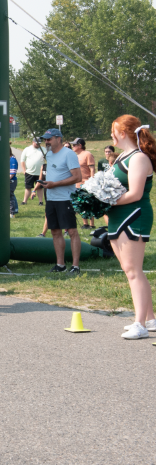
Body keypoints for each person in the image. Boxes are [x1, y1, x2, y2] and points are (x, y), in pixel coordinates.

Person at [106, 116, 156, 339]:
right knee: (131, 271)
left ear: (122, 133)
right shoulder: (122, 157)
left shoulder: (139, 158)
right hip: (119, 216)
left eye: (113, 132)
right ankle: (151, 319)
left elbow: (135, 193)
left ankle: (140, 324)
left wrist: (107, 201)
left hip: (133, 216)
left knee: (134, 271)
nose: (111, 136)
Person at [38, 128, 81, 273]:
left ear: (58, 139)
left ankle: (75, 266)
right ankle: (60, 265)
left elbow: (77, 177)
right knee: (55, 231)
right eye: (45, 139)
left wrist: (55, 184)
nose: (46, 142)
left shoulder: (69, 154)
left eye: (49, 139)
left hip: (65, 198)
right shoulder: (49, 154)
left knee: (72, 231)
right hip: (51, 198)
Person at [72, 138, 96, 229]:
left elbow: (92, 169)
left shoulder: (87, 154)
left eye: (74, 145)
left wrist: (92, 182)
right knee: (80, 204)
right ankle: (85, 224)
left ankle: (92, 224)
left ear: (80, 145)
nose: (73, 147)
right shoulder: (76, 156)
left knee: (88, 204)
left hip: (86, 183)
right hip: (77, 184)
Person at [20, 137, 46, 205]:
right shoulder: (27, 149)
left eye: (39, 143)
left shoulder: (43, 150)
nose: (38, 145)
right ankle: (24, 201)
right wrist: (24, 170)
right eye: (37, 143)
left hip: (40, 173)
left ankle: (40, 202)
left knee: (40, 188)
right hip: (29, 172)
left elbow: (47, 159)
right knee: (28, 187)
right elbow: (22, 160)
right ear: (33, 142)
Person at [9, 146, 19, 217]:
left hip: (11, 181)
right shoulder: (8, 159)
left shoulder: (12, 160)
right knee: (11, 195)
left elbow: (12, 173)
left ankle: (12, 212)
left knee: (10, 196)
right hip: (9, 180)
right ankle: (15, 209)